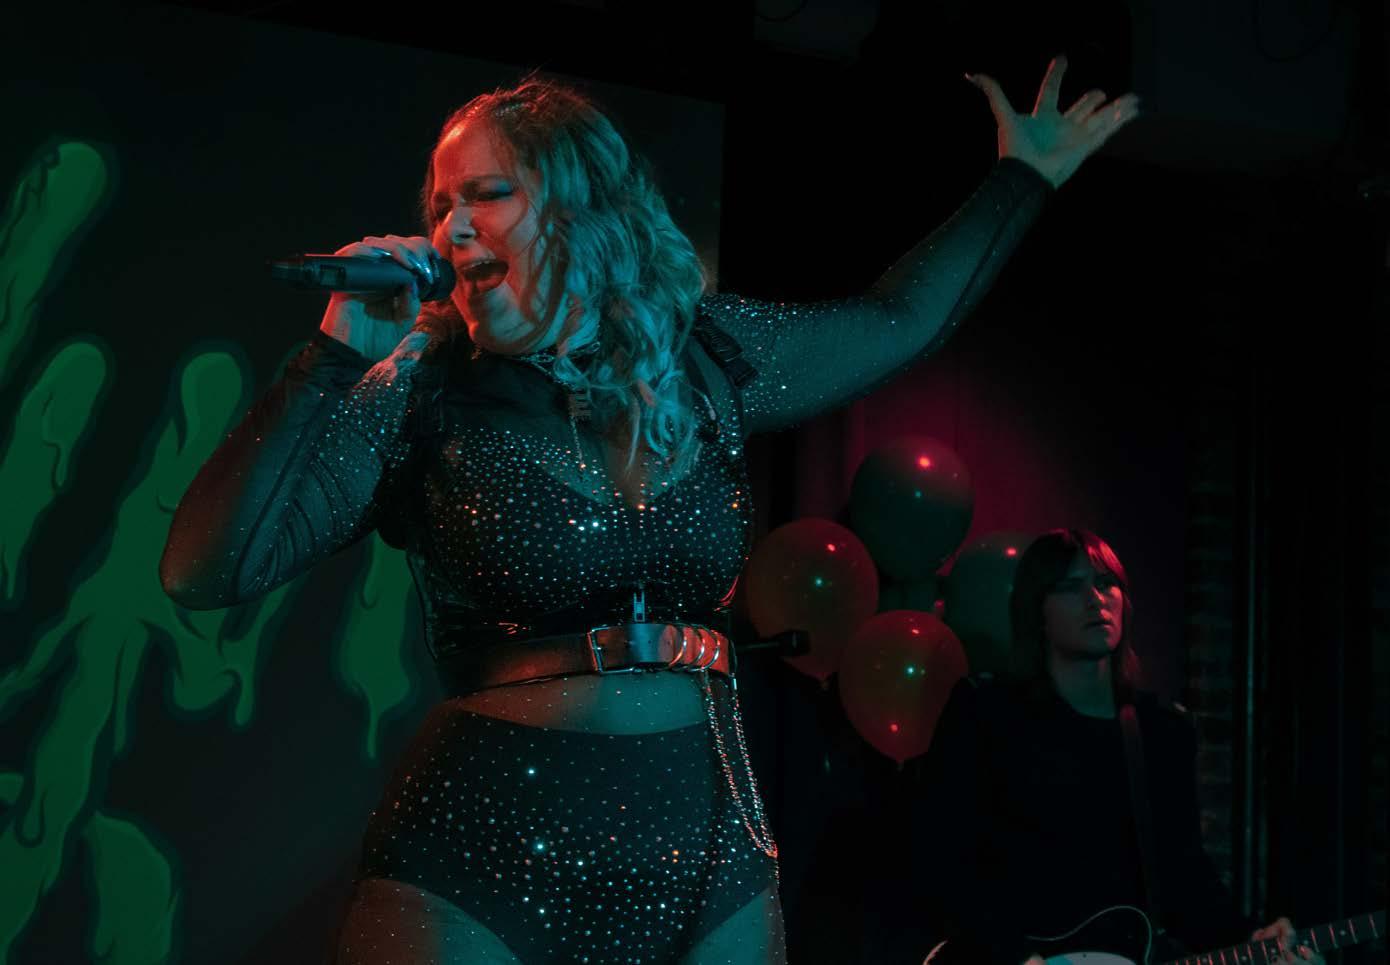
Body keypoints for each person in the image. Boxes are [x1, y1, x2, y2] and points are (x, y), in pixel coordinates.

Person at [159, 59, 1137, 964]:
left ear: (579, 206)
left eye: (485, 194)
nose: (452, 227)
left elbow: (897, 320)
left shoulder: (707, 358)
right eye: (442, 204)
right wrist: (333, 357)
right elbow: (207, 570)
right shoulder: (420, 389)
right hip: (478, 856)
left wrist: (1024, 176)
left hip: (703, 850)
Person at [902, 529, 1321, 965]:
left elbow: (1185, 881)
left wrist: (1253, 937)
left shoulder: (1161, 730)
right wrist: (1010, 954)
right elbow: (942, 859)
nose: (1095, 599)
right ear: (1036, 609)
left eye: (1106, 583)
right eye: (1070, 586)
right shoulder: (986, 714)